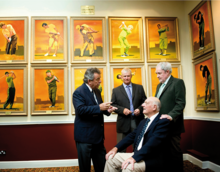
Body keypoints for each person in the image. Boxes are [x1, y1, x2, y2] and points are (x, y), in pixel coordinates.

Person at [104, 97, 171, 172]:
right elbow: (131, 136)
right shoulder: (143, 121)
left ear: (154, 107)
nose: (142, 105)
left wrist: (134, 158)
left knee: (128, 167)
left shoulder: (163, 122)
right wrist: (116, 148)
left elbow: (152, 144)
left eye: (146, 103)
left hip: (150, 159)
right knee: (111, 158)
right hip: (137, 154)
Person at [72, 68, 117, 172]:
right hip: (84, 137)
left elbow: (99, 108)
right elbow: (81, 110)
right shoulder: (78, 92)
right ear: (89, 81)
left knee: (102, 165)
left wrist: (108, 110)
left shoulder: (97, 91)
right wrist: (99, 108)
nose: (100, 81)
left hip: (98, 136)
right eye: (98, 79)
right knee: (85, 167)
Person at [155, 62, 186, 172]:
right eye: (156, 73)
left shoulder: (177, 83)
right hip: (160, 125)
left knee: (174, 152)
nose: (157, 76)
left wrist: (170, 116)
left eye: (159, 73)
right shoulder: (159, 85)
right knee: (163, 152)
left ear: (167, 72)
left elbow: (180, 103)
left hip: (172, 125)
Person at [111, 68, 146, 152]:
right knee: (121, 148)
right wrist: (122, 110)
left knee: (138, 147)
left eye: (128, 76)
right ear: (121, 77)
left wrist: (139, 109)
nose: (126, 78)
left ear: (131, 76)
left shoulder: (139, 88)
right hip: (123, 122)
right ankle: (121, 165)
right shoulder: (116, 90)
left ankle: (137, 164)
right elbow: (113, 105)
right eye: (125, 76)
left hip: (137, 121)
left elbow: (145, 101)